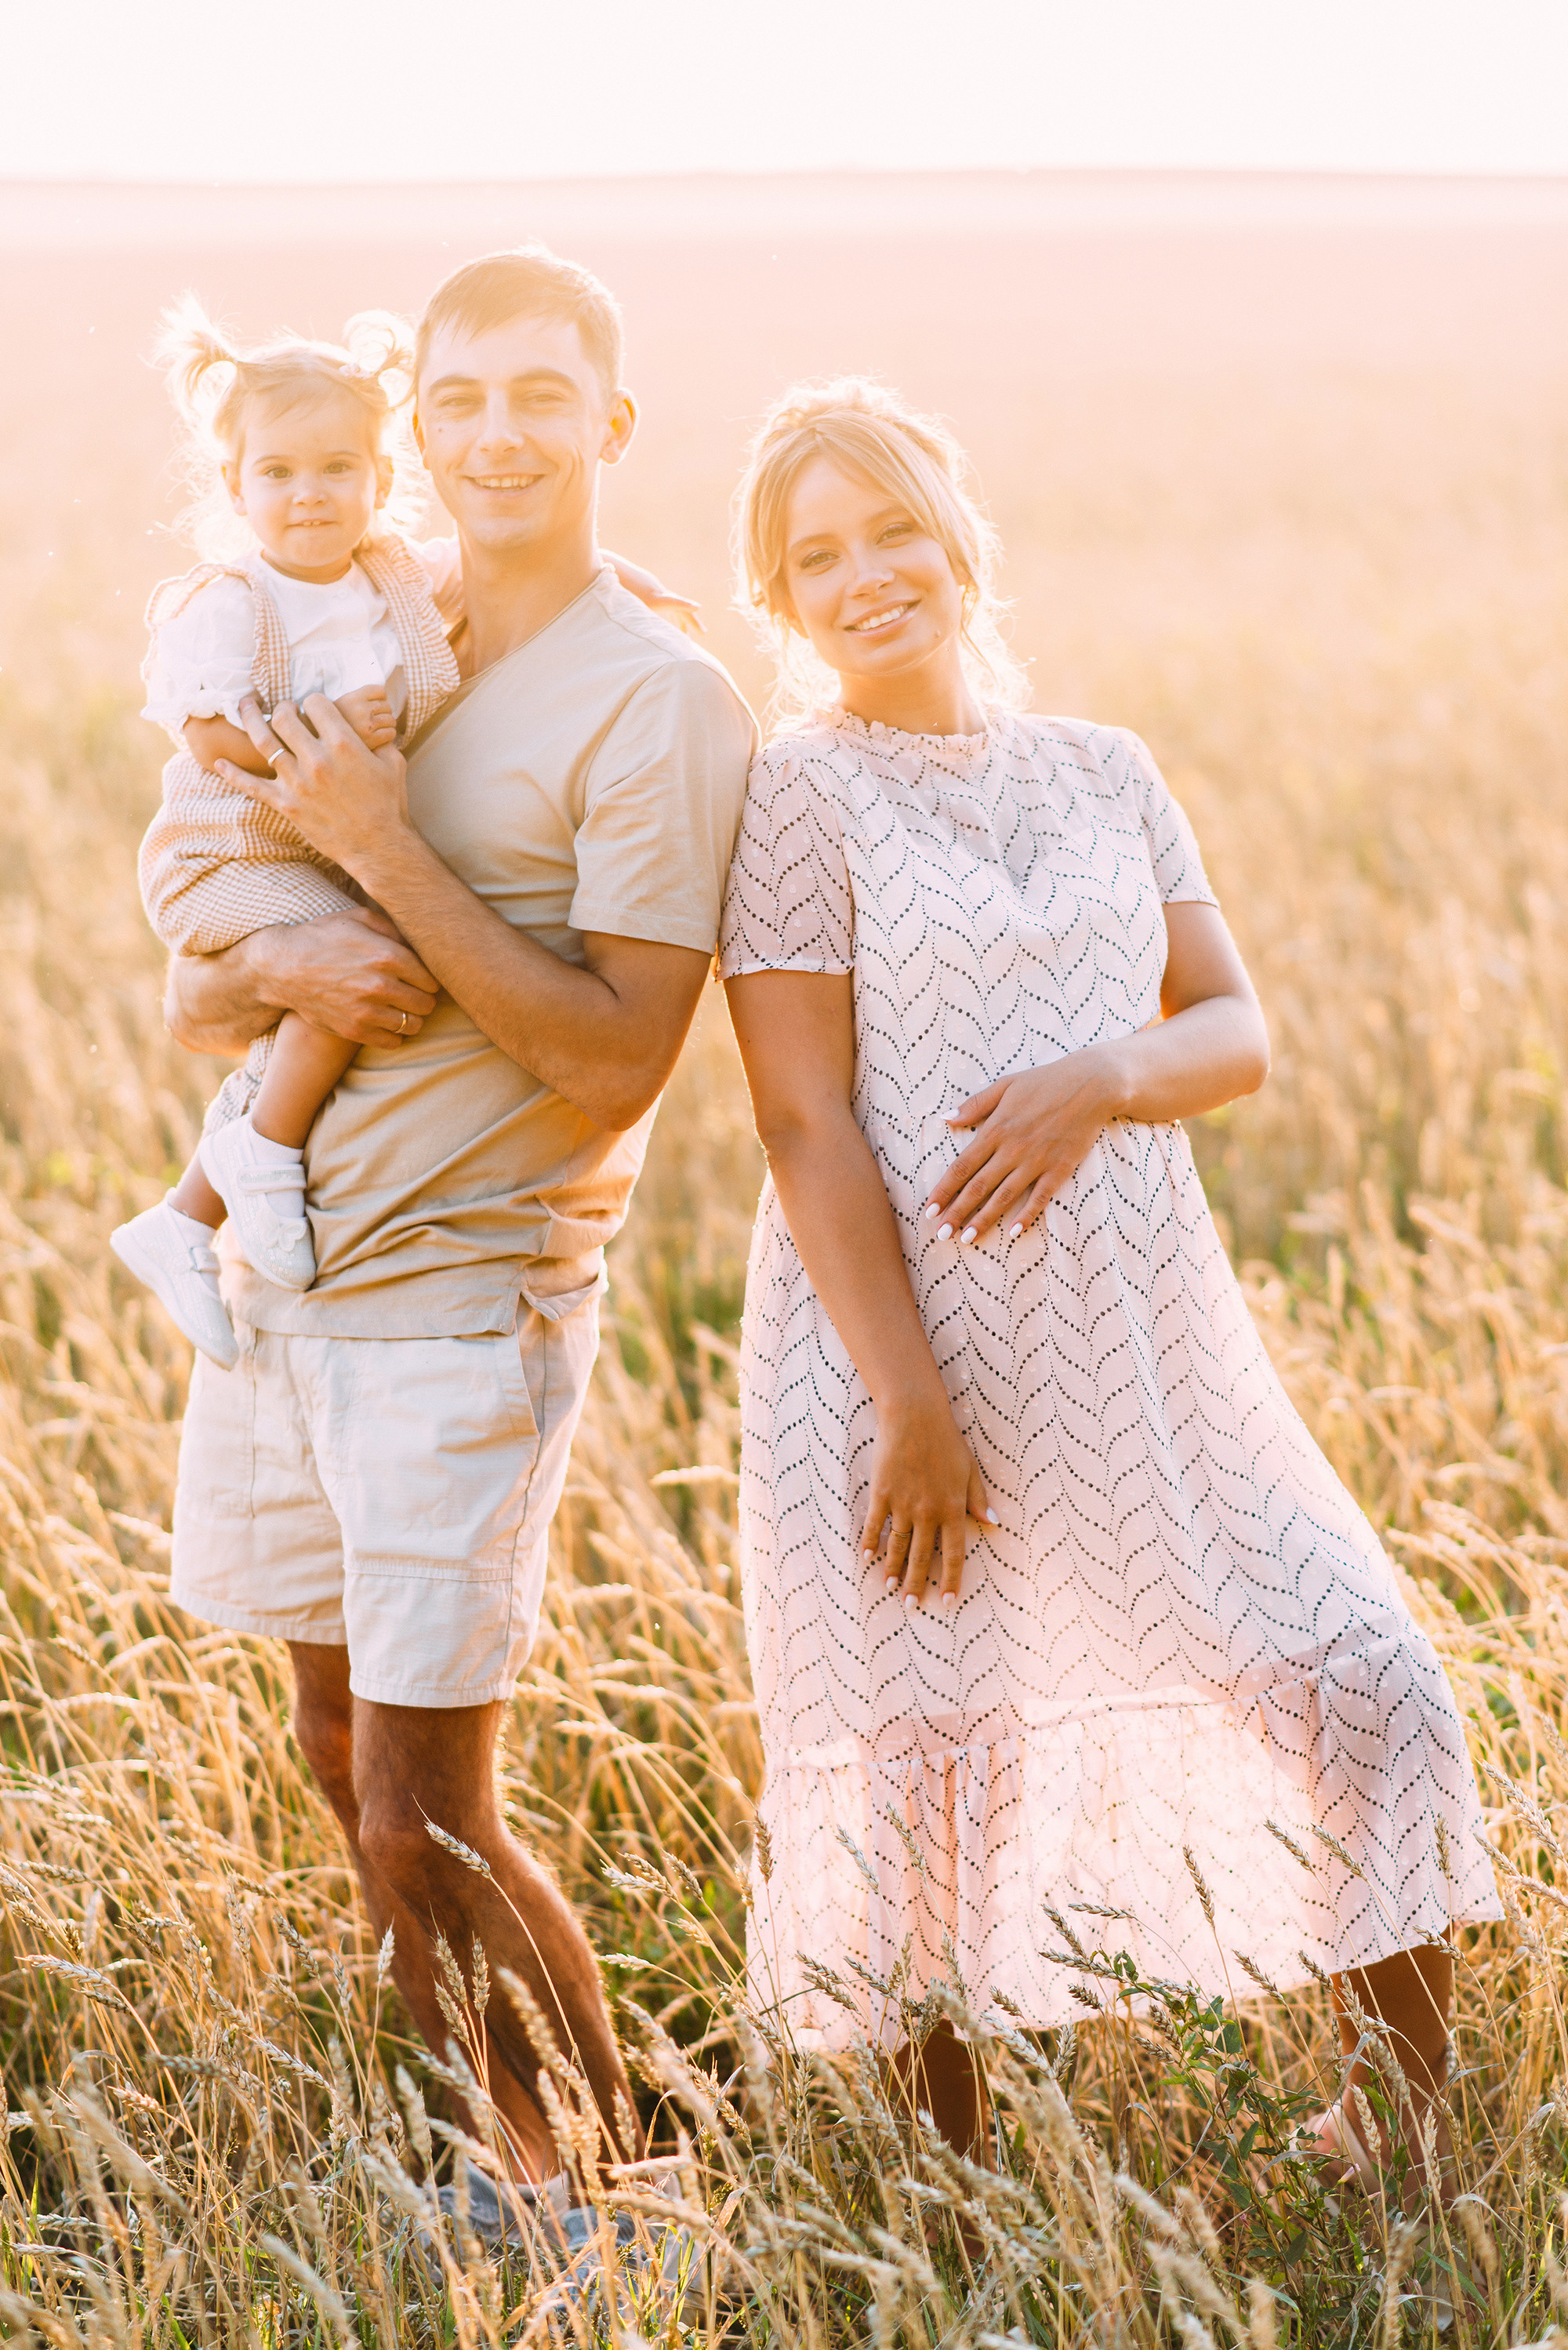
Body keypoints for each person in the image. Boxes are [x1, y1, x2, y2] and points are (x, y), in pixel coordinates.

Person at [717, 376, 1500, 2180]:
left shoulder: (1105, 763)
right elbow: (799, 1118)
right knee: (935, 1778)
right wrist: (908, 1398)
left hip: (1152, 1346)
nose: (864, 576)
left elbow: (1230, 1026)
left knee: (1367, 1679)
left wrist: (1099, 1080)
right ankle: (958, 2215)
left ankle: (1398, 2135)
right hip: (904, 1352)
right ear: (784, 600)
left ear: (960, 535)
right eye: (813, 557)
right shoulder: (799, 799)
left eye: (891, 528)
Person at [156, 246, 757, 2225]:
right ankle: (516, 2155)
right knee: (344, 1758)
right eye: (464, 399)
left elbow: (615, 1060)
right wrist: (270, 952)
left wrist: (380, 861)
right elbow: (196, 983)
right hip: (289, 1275)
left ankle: (606, 2198)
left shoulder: (656, 696)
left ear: (611, 424)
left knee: (431, 1804)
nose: (498, 433)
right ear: (422, 429)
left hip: (461, 1299)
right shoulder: (381, 628)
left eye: (540, 396)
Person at [115, 296, 698, 1371]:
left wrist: (625, 587)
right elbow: (202, 756)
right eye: (279, 475)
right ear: (236, 488)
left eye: (339, 470)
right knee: (365, 944)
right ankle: (245, 1170)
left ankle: (199, 1206)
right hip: (234, 853)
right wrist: (314, 762)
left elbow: (471, 578)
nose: (310, 495)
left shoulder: (391, 579)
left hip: (447, 1300)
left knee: (370, 940)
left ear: (383, 478)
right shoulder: (239, 603)